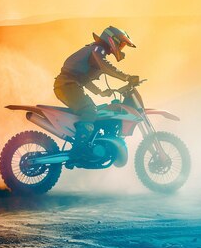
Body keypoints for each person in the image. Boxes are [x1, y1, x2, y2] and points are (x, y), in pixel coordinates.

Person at [54, 26, 140, 157]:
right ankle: (78, 151)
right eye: (121, 44)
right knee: (90, 111)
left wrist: (100, 92)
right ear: (112, 40)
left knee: (96, 111)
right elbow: (105, 66)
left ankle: (88, 143)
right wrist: (126, 77)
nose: (121, 48)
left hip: (69, 85)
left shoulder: (96, 51)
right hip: (67, 86)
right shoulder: (97, 49)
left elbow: (84, 79)